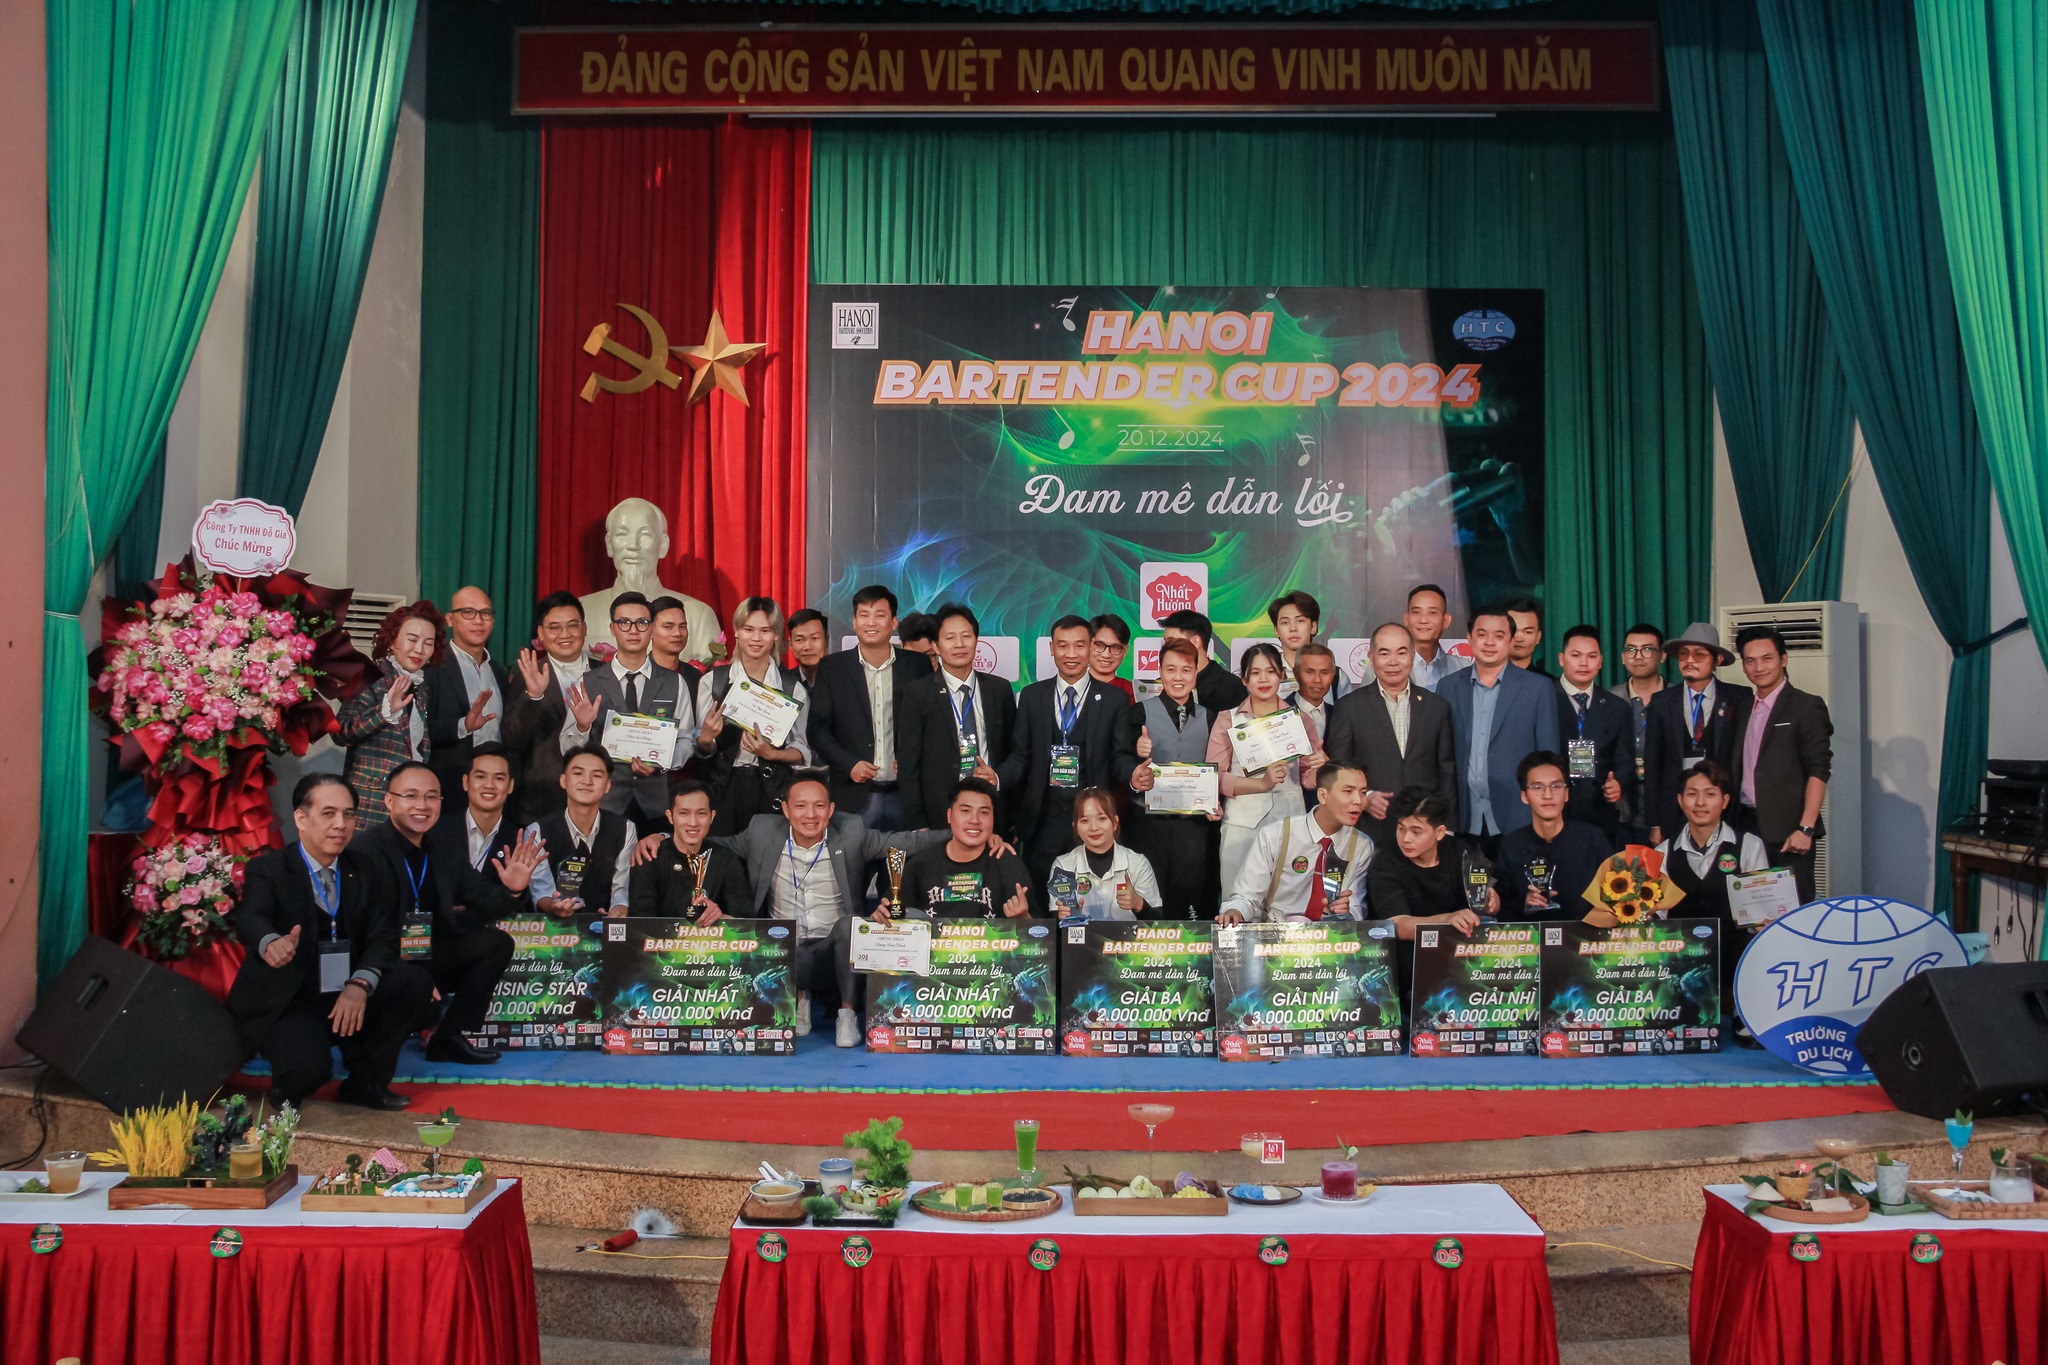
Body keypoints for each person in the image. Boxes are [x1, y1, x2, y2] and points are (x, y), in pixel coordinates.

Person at [227, 774, 434, 1110]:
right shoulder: (269, 869)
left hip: (347, 991)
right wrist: (271, 943)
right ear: (301, 818)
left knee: (414, 982)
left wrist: (360, 984)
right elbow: (251, 918)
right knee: (306, 1075)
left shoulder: (366, 867)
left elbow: (384, 935)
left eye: (348, 814)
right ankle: (293, 1071)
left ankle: (365, 1084)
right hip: (291, 998)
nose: (341, 824)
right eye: (328, 814)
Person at [714, 773, 944, 1046]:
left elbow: (909, 841)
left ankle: (847, 1014)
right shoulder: (761, 831)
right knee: (774, 936)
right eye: (800, 806)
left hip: (835, 951)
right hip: (783, 952)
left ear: (831, 809)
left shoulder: (851, 832)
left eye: (819, 805)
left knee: (849, 924)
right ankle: (799, 997)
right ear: (785, 809)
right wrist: (668, 838)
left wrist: (971, 835)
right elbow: (717, 846)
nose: (810, 815)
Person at [1001, 615, 1132, 903]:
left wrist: (1135, 776)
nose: (1071, 654)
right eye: (1062, 646)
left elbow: (1120, 757)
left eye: (1079, 645)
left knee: (1091, 904)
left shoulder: (1114, 699)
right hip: (1042, 822)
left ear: (1091, 647)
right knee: (1044, 905)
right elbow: (1020, 757)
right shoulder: (1032, 696)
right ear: (1051, 648)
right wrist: (996, 777)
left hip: (1092, 822)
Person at [426, 744, 543, 1059]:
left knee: (498, 942)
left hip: (478, 934)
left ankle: (453, 1034)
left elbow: (510, 902)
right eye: (480, 777)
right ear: (465, 782)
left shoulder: (521, 838)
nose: (489, 785)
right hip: (427, 940)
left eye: (499, 778)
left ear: (511, 786)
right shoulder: (434, 829)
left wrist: (513, 891)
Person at [561, 591, 696, 828]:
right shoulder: (587, 683)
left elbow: (686, 740)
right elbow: (566, 748)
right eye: (624, 622)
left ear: (652, 628)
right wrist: (582, 727)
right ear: (612, 628)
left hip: (656, 806)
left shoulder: (674, 682)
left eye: (642, 623)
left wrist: (663, 761)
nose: (633, 630)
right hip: (604, 803)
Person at [1323, 622, 1458, 852]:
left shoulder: (1437, 707)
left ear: (1412, 656)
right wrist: (1365, 798)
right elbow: (1339, 769)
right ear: (1371, 657)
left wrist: (1448, 828)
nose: (1393, 662)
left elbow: (1447, 771)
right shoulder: (1349, 707)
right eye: (1384, 653)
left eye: (1401, 653)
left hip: (1425, 831)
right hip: (1369, 831)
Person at [807, 584, 932, 829]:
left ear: (893, 622)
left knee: (905, 855)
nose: (871, 622)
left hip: (906, 795)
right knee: (851, 856)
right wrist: (849, 764)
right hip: (852, 794)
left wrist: (914, 758)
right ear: (854, 622)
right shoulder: (833, 668)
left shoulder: (917, 665)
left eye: (880, 615)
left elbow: (932, 724)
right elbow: (817, 730)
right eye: (864, 615)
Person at [1116, 637, 1222, 920]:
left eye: (1186, 670)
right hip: (1148, 826)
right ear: (1160, 672)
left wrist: (1217, 800)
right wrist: (1136, 757)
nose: (1178, 678)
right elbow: (1119, 759)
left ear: (1196, 673)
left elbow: (1220, 767)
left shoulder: (1211, 718)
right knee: (1149, 898)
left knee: (1190, 900)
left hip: (1194, 828)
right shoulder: (1139, 713)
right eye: (1171, 669)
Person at [1438, 608, 1560, 854]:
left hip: (1518, 815)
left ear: (1511, 640)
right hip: (1462, 815)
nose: (1490, 642)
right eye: (1482, 634)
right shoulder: (1448, 686)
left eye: (1499, 635)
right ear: (1469, 638)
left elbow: (1548, 758)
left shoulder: (1538, 688)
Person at [1361, 788, 1496, 1007]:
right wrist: (1447, 920)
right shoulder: (1385, 862)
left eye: (1416, 831)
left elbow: (1484, 901)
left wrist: (1491, 903)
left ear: (1440, 832)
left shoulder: (1460, 852)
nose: (1406, 839)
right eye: (1401, 828)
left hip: (1458, 955)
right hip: (1406, 960)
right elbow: (1398, 925)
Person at [694, 597, 813, 837]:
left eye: (765, 631)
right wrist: (706, 739)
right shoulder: (713, 682)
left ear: (776, 636)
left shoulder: (792, 690)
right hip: (723, 790)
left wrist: (772, 754)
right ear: (736, 632)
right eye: (748, 629)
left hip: (772, 790)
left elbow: (802, 750)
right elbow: (701, 748)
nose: (756, 638)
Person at [1656, 761, 1770, 1010]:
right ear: (1680, 801)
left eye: (1710, 794)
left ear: (1725, 801)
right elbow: (1658, 918)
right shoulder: (1662, 853)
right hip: (1682, 970)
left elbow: (1759, 914)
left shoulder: (1749, 846)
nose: (1700, 803)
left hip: (1735, 963)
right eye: (1692, 794)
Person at [1209, 643, 1323, 893]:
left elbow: (1307, 778)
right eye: (1255, 672)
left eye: (1270, 671)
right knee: (1238, 899)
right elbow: (1215, 778)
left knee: (1288, 900)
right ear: (1244, 679)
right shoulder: (1228, 719)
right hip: (1241, 826)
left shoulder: (1300, 719)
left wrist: (1319, 770)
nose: (1263, 679)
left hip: (1290, 822)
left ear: (1281, 675)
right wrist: (1262, 783)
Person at [1733, 625, 1833, 903]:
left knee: (1793, 910)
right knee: (1750, 911)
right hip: (1745, 825)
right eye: (1750, 661)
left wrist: (1806, 828)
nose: (1759, 668)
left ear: (1784, 659)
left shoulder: (1805, 705)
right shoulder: (1743, 707)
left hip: (1790, 831)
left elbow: (1819, 769)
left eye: (1767, 659)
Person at [896, 602, 1015, 830]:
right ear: (936, 646)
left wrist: (1010, 812)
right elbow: (909, 766)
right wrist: (918, 823)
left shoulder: (999, 689)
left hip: (992, 813)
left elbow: (1014, 752)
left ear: (976, 640)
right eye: (950, 638)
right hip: (938, 816)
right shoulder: (918, 693)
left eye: (966, 636)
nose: (959, 644)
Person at [1217, 762, 1373, 924]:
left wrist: (1347, 914)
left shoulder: (1361, 844)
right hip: (1278, 930)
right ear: (1322, 795)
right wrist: (1235, 911)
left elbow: (1356, 907)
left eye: (1363, 792)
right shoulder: (1277, 834)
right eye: (1348, 791)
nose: (1358, 800)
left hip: (1329, 935)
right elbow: (1246, 896)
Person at [1642, 623, 1752, 846]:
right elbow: (1652, 763)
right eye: (1684, 654)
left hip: (1724, 808)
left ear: (1717, 660)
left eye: (1699, 654)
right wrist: (1654, 822)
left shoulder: (1739, 697)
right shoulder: (1662, 701)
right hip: (1674, 808)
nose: (1689, 660)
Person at [338, 602, 446, 826]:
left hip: (408, 806)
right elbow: (341, 732)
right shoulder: (369, 675)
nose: (419, 649)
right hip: (370, 805)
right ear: (392, 639)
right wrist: (385, 711)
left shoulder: (420, 685)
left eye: (428, 643)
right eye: (412, 639)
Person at [578, 496, 719, 657]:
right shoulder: (580, 613)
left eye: (645, 535)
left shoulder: (698, 616)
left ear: (663, 545)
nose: (633, 546)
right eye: (622, 535)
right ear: (609, 544)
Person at [503, 591, 592, 826]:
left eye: (572, 625)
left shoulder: (608, 674)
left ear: (584, 628)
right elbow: (513, 741)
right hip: (541, 803)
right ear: (541, 634)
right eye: (554, 627)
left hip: (601, 803)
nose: (565, 634)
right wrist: (534, 696)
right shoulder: (527, 675)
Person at [1495, 752, 1617, 921]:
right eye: (1537, 787)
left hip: (1587, 933)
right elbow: (1500, 905)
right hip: (1532, 934)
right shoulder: (1511, 845)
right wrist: (1524, 904)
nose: (1548, 795)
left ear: (1566, 794)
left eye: (1556, 786)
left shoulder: (1593, 839)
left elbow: (1618, 892)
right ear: (1524, 796)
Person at [895, 778, 1032, 920]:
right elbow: (894, 917)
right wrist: (886, 915)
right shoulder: (921, 864)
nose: (975, 820)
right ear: (949, 815)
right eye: (966, 811)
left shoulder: (1007, 864)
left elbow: (1038, 928)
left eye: (984, 812)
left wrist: (1024, 919)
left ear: (993, 818)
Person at [525, 743, 635, 918]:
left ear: (608, 785)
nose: (587, 781)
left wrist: (618, 912)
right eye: (578, 773)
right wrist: (554, 906)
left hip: (604, 925)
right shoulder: (538, 831)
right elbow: (540, 891)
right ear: (563, 781)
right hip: (554, 928)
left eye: (596, 775)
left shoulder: (625, 829)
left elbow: (621, 889)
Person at [629, 778, 753, 919]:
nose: (693, 823)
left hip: (712, 934)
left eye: (701, 813)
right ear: (670, 816)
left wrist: (721, 919)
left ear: (712, 817)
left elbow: (745, 923)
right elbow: (641, 922)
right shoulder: (650, 858)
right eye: (684, 813)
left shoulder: (727, 860)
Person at [425, 586, 507, 797]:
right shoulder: (432, 667)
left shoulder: (499, 672)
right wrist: (463, 726)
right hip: (448, 785)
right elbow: (418, 730)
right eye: (468, 612)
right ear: (450, 620)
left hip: (494, 790)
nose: (478, 620)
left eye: (485, 613)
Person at [1553, 625, 1633, 841]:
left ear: (1601, 661)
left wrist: (1619, 783)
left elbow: (1625, 759)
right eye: (1576, 655)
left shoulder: (1616, 706)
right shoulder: (1544, 699)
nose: (1583, 663)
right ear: (1561, 659)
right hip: (1555, 809)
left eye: (1592, 656)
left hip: (1600, 812)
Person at [1046, 787, 1161, 920]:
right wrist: (1063, 917)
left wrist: (1139, 904)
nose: (1094, 827)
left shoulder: (1138, 863)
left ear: (1115, 823)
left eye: (1101, 818)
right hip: (1082, 934)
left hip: (1128, 934)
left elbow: (1158, 922)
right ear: (1075, 827)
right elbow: (1055, 923)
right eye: (1084, 821)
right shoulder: (1063, 866)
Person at [1608, 622, 1668, 841]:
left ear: (1662, 656)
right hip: (1619, 811)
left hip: (1666, 809)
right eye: (1631, 649)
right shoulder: (1609, 700)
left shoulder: (1677, 698)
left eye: (1647, 649)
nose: (1638, 656)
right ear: (1623, 657)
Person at [1160, 608, 1249, 715]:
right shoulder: (1164, 683)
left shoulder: (1231, 687)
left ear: (1195, 642)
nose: (1166, 648)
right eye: (1166, 643)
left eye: (1171, 642)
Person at [1268, 590, 1346, 698]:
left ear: (1313, 627)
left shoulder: (1337, 677)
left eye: (1300, 621)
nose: (1293, 628)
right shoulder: (1266, 674)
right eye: (1285, 622)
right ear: (1276, 630)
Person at [1405, 584, 1471, 691]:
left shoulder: (1463, 668)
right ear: (1406, 619)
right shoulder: (1386, 667)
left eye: (1432, 613)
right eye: (1416, 612)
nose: (1423, 620)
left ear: (1446, 621)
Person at [648, 595, 704, 697]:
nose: (677, 633)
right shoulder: (640, 674)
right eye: (668, 627)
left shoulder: (695, 676)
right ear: (650, 631)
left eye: (682, 626)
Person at [1291, 643, 1341, 744]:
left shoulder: (1341, 716)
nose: (1317, 680)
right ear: (1296, 673)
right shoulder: (1279, 713)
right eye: (1309, 672)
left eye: (1324, 673)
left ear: (1333, 674)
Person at [1088, 612, 1136, 699]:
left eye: (1115, 647)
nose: (1106, 655)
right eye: (1099, 645)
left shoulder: (1132, 692)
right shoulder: (1072, 686)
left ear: (1125, 650)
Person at [787, 608, 829, 691]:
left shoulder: (842, 680)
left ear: (826, 641)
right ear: (790, 644)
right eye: (799, 640)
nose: (808, 647)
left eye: (815, 638)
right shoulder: (783, 683)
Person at [1505, 596, 1547, 677]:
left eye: (1528, 632)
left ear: (1538, 637)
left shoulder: (1547, 682)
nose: (1519, 639)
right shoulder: (1484, 679)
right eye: (1513, 630)